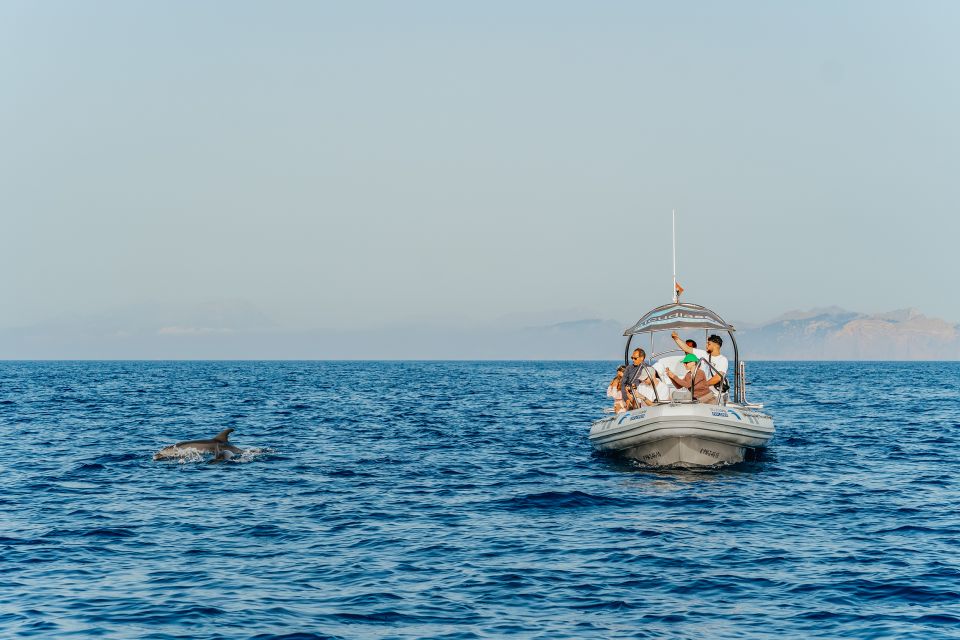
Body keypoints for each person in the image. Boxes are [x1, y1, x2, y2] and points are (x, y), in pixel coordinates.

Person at [671, 332, 729, 401]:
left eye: (709, 344)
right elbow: (687, 348)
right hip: (703, 393)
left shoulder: (722, 360)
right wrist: (676, 338)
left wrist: (702, 385)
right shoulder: (704, 354)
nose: (706, 346)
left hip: (717, 394)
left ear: (716, 346)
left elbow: (718, 378)